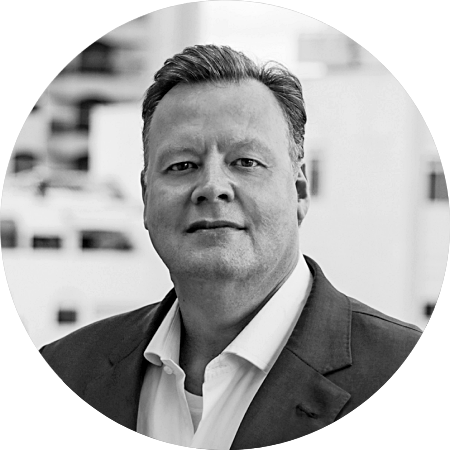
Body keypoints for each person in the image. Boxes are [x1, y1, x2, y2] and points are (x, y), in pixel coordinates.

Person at [40, 45, 422, 450]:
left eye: (246, 162)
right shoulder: (61, 373)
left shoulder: (410, 378)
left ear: (299, 190)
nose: (212, 187)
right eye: (182, 165)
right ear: (146, 195)